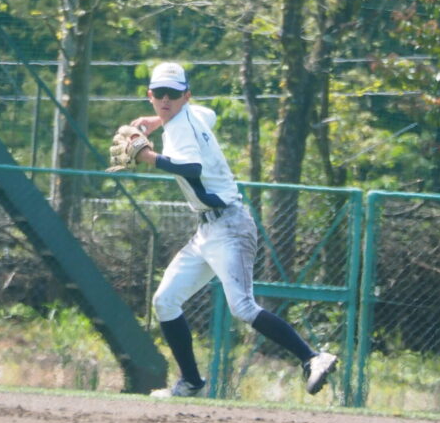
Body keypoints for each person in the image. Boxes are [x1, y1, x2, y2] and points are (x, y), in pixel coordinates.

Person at [126, 62, 338, 398]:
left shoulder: (179, 128)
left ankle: (312, 357)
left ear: (186, 95)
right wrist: (156, 120)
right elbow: (208, 113)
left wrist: (148, 156)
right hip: (207, 230)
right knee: (165, 301)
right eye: (160, 93)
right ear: (150, 94)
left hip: (230, 226)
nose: (166, 100)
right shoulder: (191, 114)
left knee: (242, 307)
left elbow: (191, 167)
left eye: (174, 94)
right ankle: (192, 383)